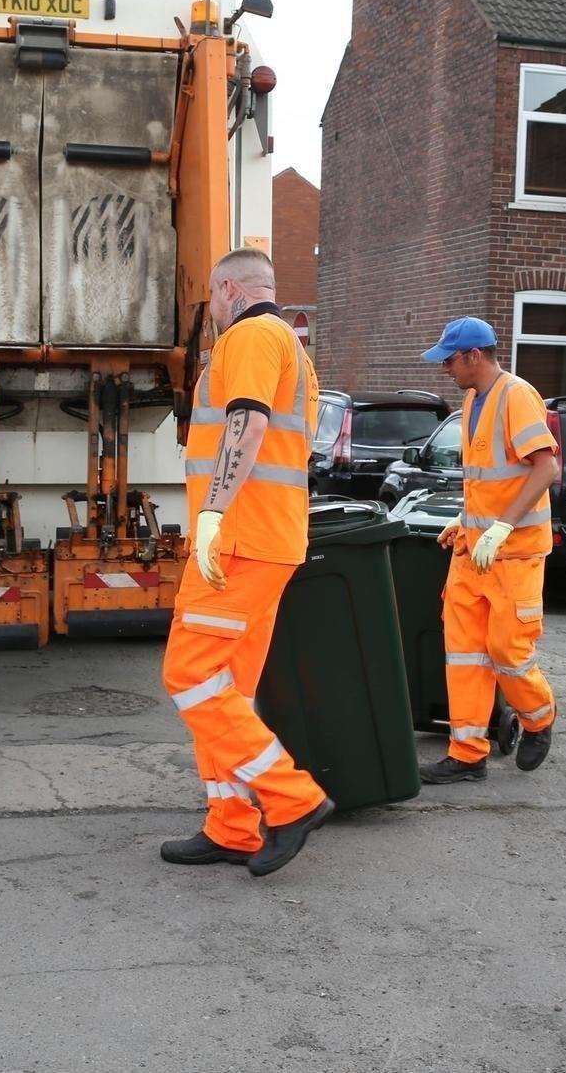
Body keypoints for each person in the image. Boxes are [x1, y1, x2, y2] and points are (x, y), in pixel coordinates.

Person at [159, 247, 334, 875]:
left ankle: (290, 799)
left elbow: (247, 422)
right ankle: (230, 823)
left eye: (210, 300)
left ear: (229, 289)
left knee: (190, 675)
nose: (209, 314)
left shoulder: (253, 335)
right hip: (266, 540)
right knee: (227, 687)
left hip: (237, 540)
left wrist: (210, 512)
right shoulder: (293, 349)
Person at [419, 316, 559, 783]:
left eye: (450, 360)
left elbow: (545, 469)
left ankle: (539, 718)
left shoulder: (516, 395)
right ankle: (466, 754)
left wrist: (500, 528)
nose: (446, 370)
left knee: (506, 650)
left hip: (513, 554)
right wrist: (464, 521)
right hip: (473, 554)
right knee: (464, 655)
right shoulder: (472, 398)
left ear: (474, 356)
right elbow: (490, 478)